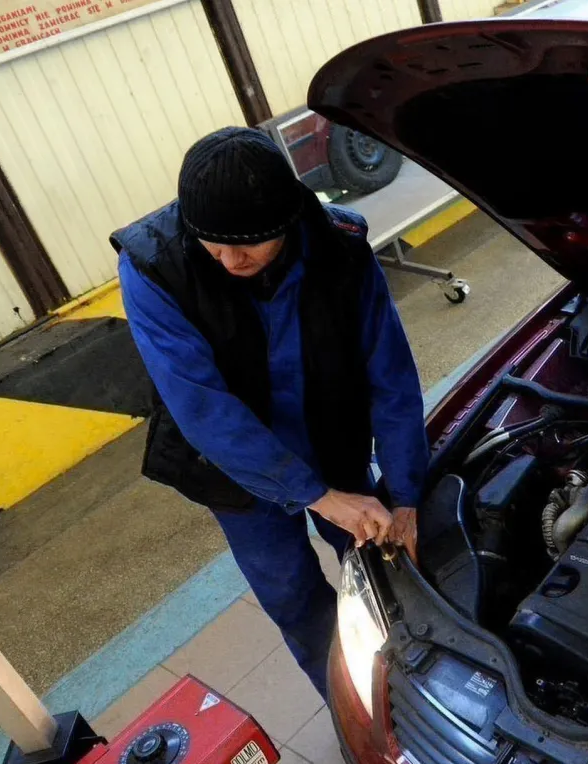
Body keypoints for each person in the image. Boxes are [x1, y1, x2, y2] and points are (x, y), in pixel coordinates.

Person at [112, 127, 429, 697]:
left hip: (331, 440)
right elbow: (203, 408)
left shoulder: (339, 248)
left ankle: (420, 687)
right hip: (237, 472)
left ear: (286, 220)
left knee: (386, 560)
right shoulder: (153, 267)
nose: (231, 259)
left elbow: (390, 375)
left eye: (249, 245)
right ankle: (351, 705)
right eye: (214, 245)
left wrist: (405, 495)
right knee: (293, 595)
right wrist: (320, 498)